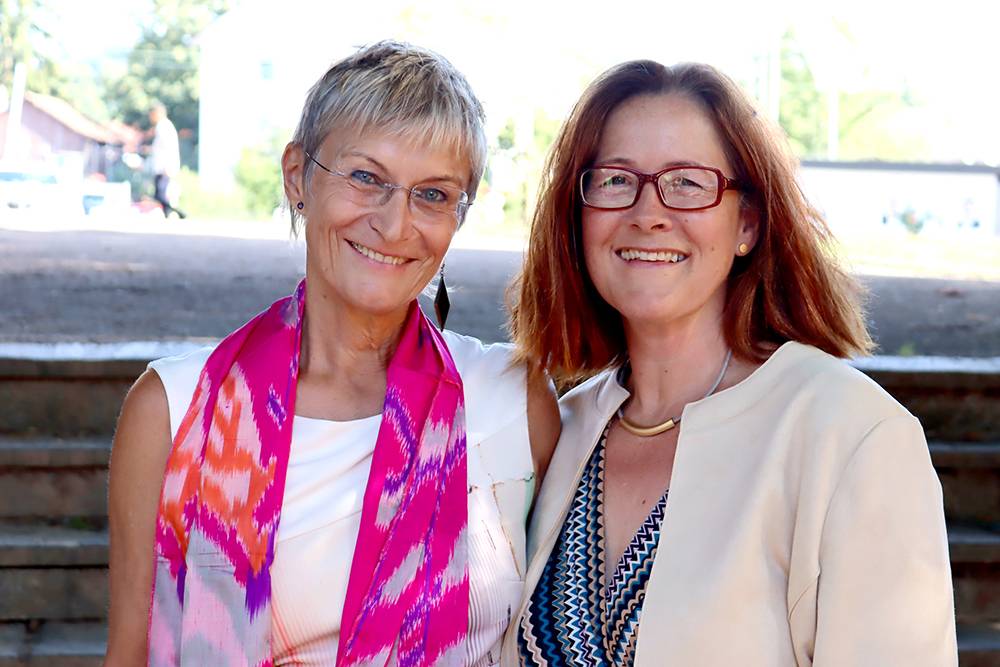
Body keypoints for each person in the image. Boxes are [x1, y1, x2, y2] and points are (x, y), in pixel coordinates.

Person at [105, 41, 559, 667]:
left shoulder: (512, 400)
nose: (395, 224)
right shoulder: (173, 411)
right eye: (366, 178)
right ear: (298, 176)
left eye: (433, 194)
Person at [504, 60, 956, 666]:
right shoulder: (562, 429)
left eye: (688, 183)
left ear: (747, 222)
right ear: (577, 215)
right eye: (614, 180)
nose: (648, 212)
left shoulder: (851, 434)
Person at [148, 101, 186, 219]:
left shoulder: (163, 126)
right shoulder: (163, 126)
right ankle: (169, 214)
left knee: (160, 194)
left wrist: (168, 166)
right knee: (159, 194)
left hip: (164, 167)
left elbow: (168, 148)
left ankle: (179, 213)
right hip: (162, 166)